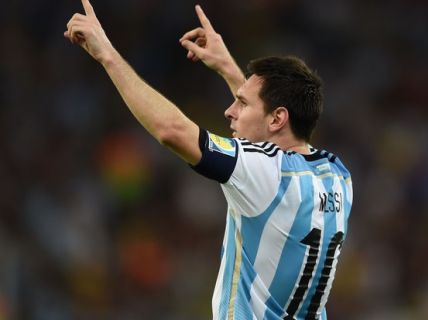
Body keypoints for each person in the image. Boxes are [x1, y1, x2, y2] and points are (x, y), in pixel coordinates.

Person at [64, 1, 353, 319]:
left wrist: (106, 53)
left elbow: (172, 130)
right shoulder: (337, 175)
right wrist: (229, 69)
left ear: (278, 118)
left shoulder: (266, 172)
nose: (229, 111)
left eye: (241, 103)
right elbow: (266, 132)